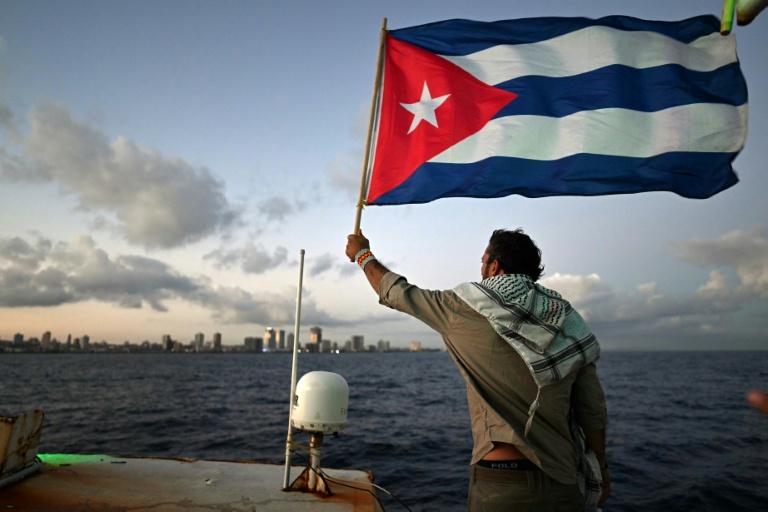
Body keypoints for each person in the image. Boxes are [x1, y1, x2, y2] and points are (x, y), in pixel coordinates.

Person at [346, 229, 610, 511]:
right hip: (564, 483)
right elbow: (592, 411)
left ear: (494, 266)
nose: (481, 268)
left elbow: (398, 293)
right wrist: (602, 471)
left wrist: (363, 254)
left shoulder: (463, 309)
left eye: (483, 261)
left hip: (502, 486)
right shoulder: (567, 321)